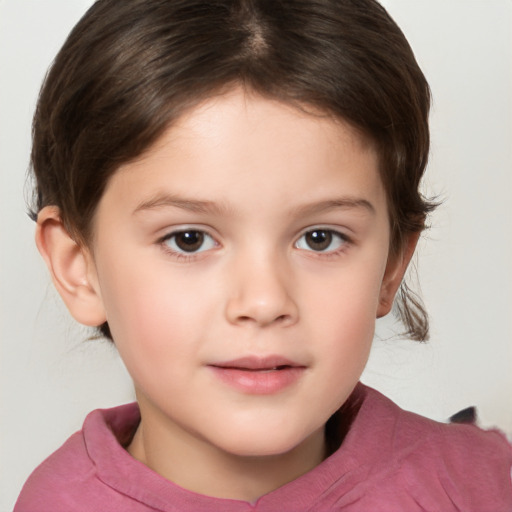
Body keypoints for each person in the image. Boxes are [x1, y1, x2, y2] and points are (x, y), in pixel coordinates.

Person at [14, 0, 512, 510]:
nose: (263, 301)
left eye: (320, 238)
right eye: (189, 239)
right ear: (79, 269)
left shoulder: (483, 485)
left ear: (390, 266)